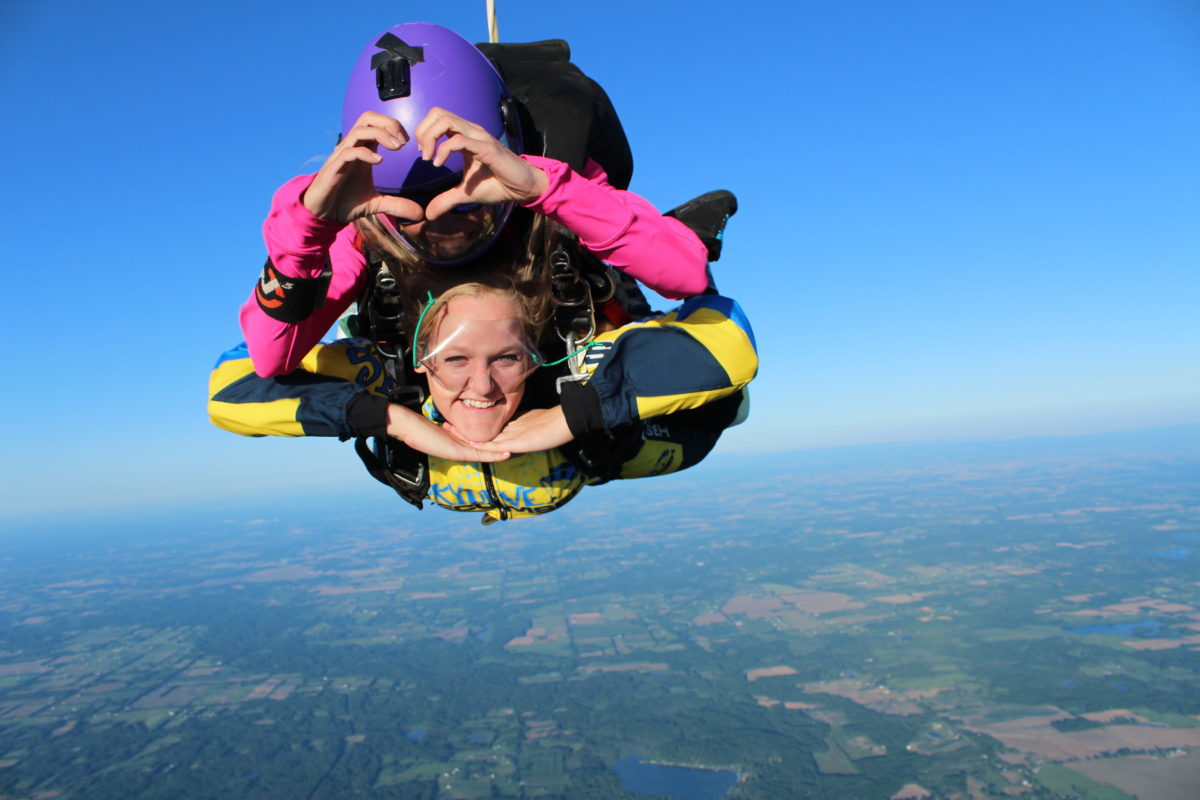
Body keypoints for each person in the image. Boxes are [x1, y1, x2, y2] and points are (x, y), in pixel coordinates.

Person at [210, 22, 756, 521]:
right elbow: (264, 361)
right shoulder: (368, 228)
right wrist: (308, 228)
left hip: (567, 315)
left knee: (726, 404)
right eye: (411, 210)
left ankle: (679, 230)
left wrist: (544, 189)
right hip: (523, 395)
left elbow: (689, 281)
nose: (438, 229)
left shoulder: (551, 191)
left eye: (464, 205)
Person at [211, 276, 757, 522]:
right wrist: (390, 417)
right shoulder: (390, 374)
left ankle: (637, 273)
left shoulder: (570, 368)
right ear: (422, 360)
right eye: (455, 360)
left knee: (731, 406)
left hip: (618, 446)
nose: (481, 387)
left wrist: (574, 412)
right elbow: (228, 393)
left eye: (506, 359)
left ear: (533, 356)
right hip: (572, 467)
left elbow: (731, 350)